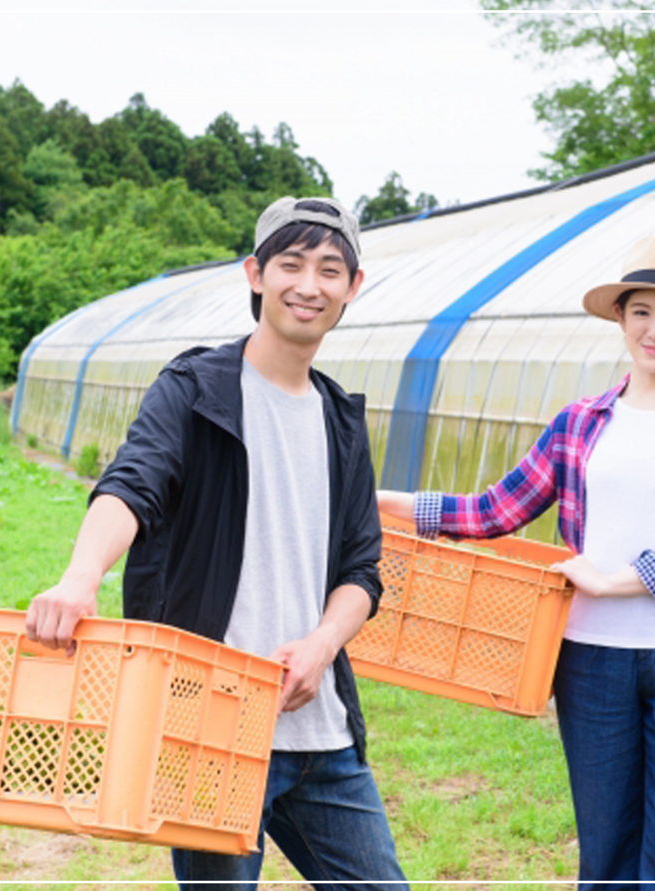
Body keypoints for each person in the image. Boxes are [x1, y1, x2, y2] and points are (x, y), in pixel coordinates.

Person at [26, 196, 409, 889]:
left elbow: (362, 567)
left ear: (353, 286)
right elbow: (132, 482)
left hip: (320, 734)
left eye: (330, 269)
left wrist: (323, 643)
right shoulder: (196, 388)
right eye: (291, 264)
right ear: (255, 274)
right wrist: (81, 575)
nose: (309, 285)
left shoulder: (342, 422)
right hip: (209, 726)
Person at [379, 235, 655, 890]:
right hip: (591, 664)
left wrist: (615, 579)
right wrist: (382, 501)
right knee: (607, 859)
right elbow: (496, 508)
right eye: (642, 311)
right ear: (620, 318)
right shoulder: (581, 423)